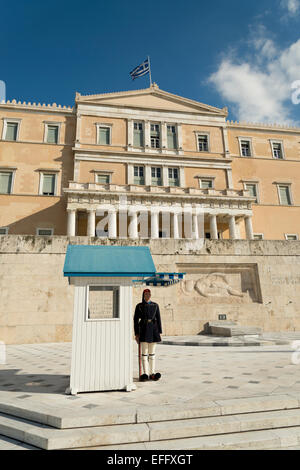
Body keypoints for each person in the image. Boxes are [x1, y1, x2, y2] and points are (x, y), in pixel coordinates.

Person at [134, 288, 162, 382]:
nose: (148, 295)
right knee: (144, 354)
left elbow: (158, 318)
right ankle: (145, 373)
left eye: (149, 294)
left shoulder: (155, 305)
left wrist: (159, 332)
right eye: (146, 294)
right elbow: (135, 320)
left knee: (152, 354)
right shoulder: (139, 306)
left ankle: (152, 373)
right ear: (143, 295)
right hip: (144, 330)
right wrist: (137, 333)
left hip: (153, 330)